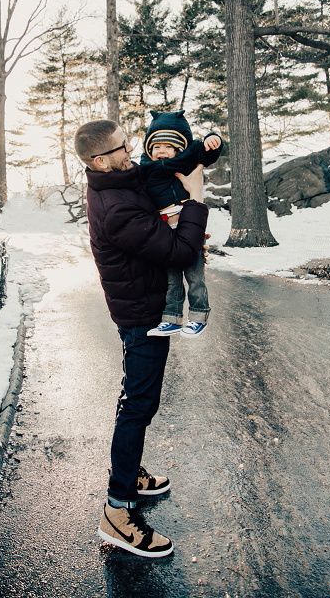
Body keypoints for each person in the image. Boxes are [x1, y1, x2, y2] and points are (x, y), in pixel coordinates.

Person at [74, 119, 209, 558]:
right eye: (120, 147)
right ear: (99, 160)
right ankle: (117, 510)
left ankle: (128, 473)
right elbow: (180, 254)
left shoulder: (120, 182)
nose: (129, 151)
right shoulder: (115, 207)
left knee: (137, 399)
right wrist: (196, 203)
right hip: (143, 315)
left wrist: (176, 209)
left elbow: (155, 202)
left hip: (142, 303)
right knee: (139, 404)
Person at [139, 110, 222, 338]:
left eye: (168, 146)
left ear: (178, 148)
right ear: (148, 149)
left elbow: (206, 154)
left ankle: (198, 316)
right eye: (156, 147)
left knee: (195, 277)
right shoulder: (147, 170)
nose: (161, 151)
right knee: (171, 278)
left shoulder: (184, 165)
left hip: (187, 225)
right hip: (165, 232)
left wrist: (213, 139)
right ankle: (172, 318)